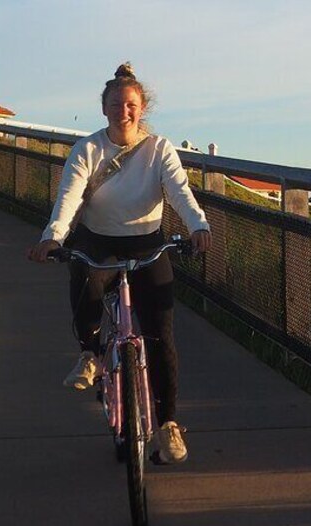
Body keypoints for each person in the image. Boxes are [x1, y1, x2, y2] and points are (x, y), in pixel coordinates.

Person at [28, 63, 210, 464]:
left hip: (147, 245)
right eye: (115, 105)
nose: (122, 111)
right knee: (87, 281)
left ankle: (168, 426)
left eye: (130, 105)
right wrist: (52, 236)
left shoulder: (159, 150)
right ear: (104, 108)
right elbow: (70, 197)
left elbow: (179, 192)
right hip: (99, 242)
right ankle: (90, 354)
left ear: (142, 108)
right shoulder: (88, 150)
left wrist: (198, 225)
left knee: (161, 335)